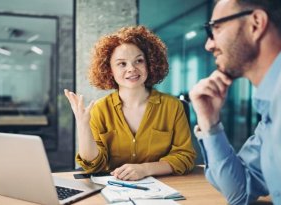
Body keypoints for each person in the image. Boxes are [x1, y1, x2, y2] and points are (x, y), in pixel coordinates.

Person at [189, 0, 281, 204]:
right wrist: (209, 123)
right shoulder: (276, 102)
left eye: (216, 28)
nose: (209, 44)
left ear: (256, 24)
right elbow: (240, 190)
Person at [65, 26, 196, 181]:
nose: (132, 69)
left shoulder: (173, 106)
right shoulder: (99, 110)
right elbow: (92, 165)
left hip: (166, 188)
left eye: (139, 61)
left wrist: (145, 169)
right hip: (115, 190)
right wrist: (82, 125)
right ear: (109, 70)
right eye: (122, 64)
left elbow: (185, 157)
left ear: (150, 64)